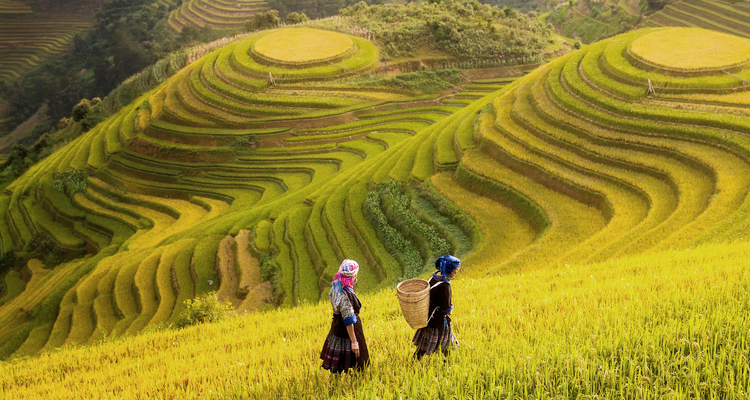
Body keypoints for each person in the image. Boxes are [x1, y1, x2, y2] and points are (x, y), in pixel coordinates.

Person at [320, 259, 370, 373]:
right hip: (347, 330)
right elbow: (348, 319)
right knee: (359, 360)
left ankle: (339, 381)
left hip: (336, 326)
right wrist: (354, 342)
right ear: (353, 275)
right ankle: (357, 382)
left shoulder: (336, 286)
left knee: (338, 363)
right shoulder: (344, 294)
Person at [413, 255, 461, 360]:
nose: (455, 273)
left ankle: (415, 359)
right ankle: (447, 363)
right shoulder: (445, 286)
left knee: (425, 343)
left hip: (428, 317)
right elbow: (446, 308)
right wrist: (450, 310)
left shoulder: (433, 278)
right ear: (449, 270)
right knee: (446, 343)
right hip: (439, 320)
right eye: (455, 271)